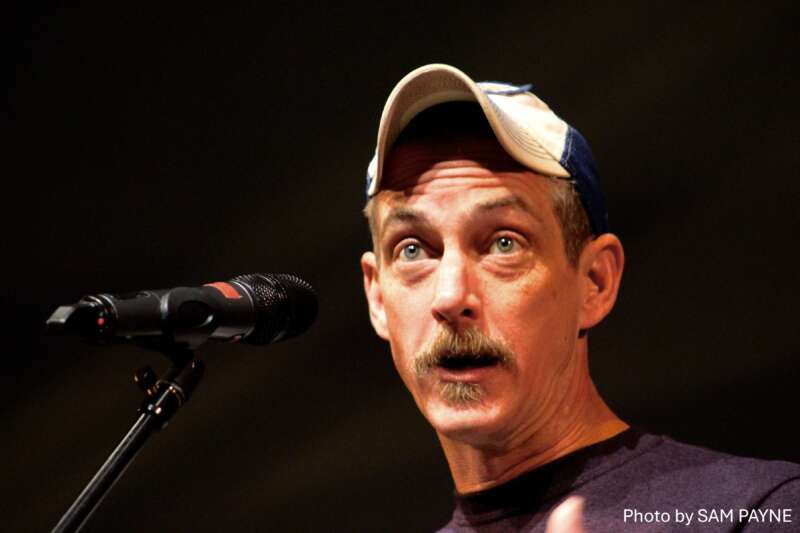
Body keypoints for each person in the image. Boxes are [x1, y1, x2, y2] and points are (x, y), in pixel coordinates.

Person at [359, 64, 800, 532]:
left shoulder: (763, 512)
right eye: (412, 250)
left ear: (595, 282)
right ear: (378, 297)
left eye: (504, 243)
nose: (450, 297)